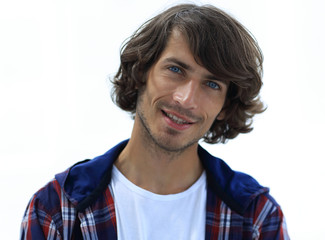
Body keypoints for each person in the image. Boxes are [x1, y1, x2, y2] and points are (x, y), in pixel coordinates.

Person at [20, 3, 289, 239]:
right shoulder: (57, 210)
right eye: (175, 70)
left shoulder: (256, 217)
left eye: (211, 84)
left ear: (225, 106)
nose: (186, 98)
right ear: (141, 71)